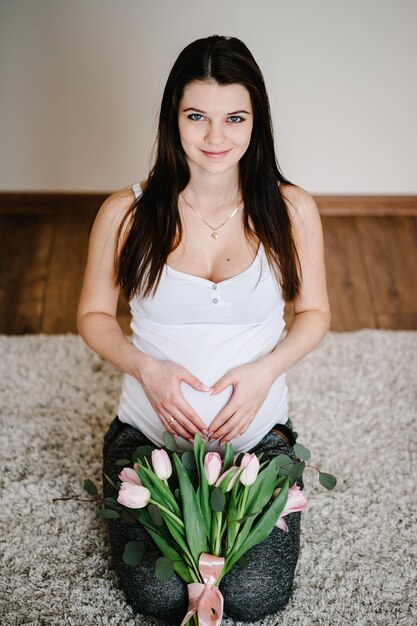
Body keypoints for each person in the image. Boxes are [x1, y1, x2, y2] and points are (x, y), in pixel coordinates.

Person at [77, 34, 331, 624]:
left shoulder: (292, 209)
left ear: (255, 121)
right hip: (149, 439)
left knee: (257, 594)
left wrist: (265, 370)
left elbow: (314, 313)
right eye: (197, 116)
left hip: (255, 440)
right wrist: (148, 368)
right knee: (161, 595)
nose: (216, 138)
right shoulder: (126, 212)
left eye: (234, 118)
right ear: (174, 117)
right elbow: (92, 315)